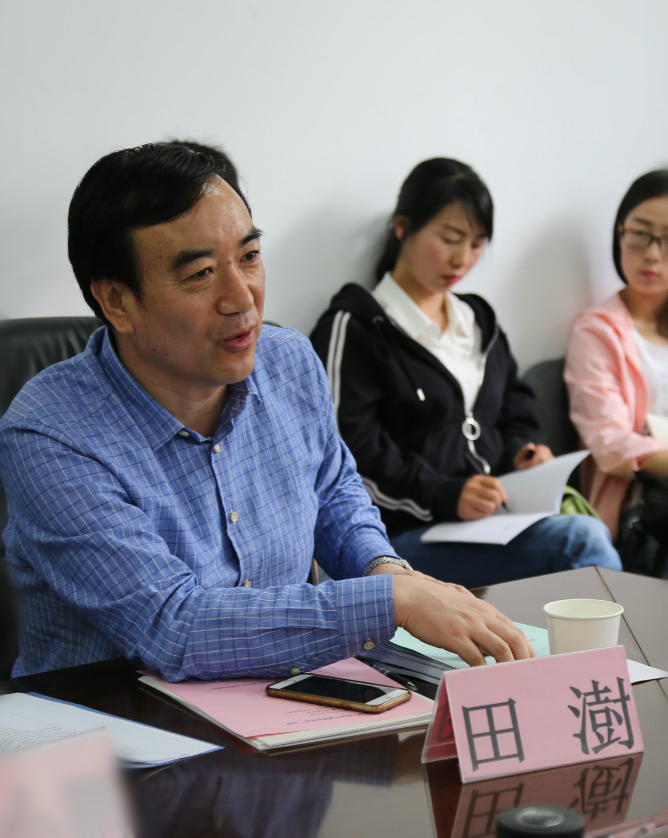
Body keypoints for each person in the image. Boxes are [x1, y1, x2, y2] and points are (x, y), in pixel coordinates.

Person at [0, 142, 535, 679]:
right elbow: (171, 625)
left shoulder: (288, 361)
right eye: (201, 273)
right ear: (117, 302)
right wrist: (393, 602)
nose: (242, 298)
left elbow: (334, 496)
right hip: (113, 715)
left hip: (280, 696)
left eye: (249, 257)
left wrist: (387, 572)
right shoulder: (50, 435)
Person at [310, 157, 621, 587]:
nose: (463, 259)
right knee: (580, 541)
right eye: (450, 238)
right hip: (397, 539)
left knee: (584, 536)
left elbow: (515, 404)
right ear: (402, 227)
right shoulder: (357, 327)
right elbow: (347, 457)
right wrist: (447, 494)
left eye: (477, 244)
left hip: (492, 523)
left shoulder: (477, 321)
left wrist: (524, 451)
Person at [565, 169, 668, 549]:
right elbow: (609, 441)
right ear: (619, 234)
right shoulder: (597, 330)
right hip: (637, 506)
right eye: (640, 234)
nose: (653, 253)